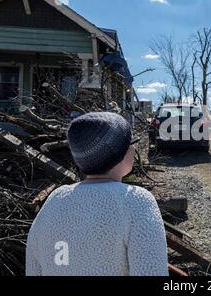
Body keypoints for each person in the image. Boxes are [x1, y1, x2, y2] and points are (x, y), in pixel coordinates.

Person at [26, 112, 168, 276]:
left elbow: (33, 266)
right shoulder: (137, 201)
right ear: (121, 153)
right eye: (131, 143)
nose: (134, 148)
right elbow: (151, 270)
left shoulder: (55, 199)